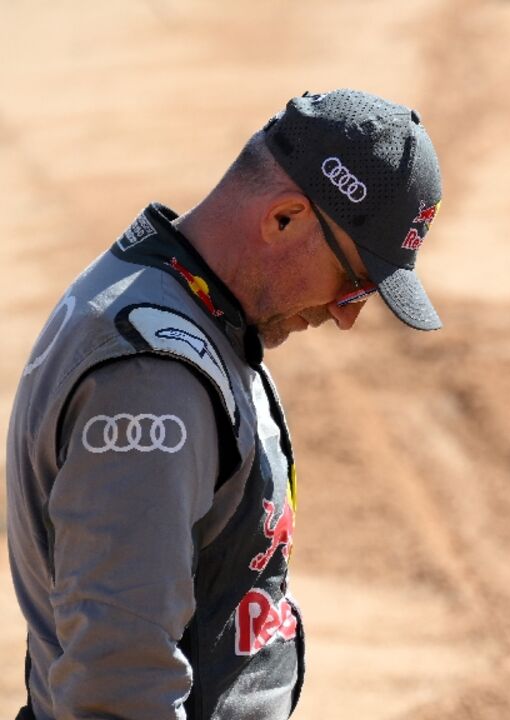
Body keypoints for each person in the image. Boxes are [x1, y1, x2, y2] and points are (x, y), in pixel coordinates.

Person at [6, 89, 443, 719]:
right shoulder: (151, 380)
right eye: (355, 283)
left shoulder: (181, 302)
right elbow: (119, 682)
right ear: (283, 219)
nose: (348, 318)